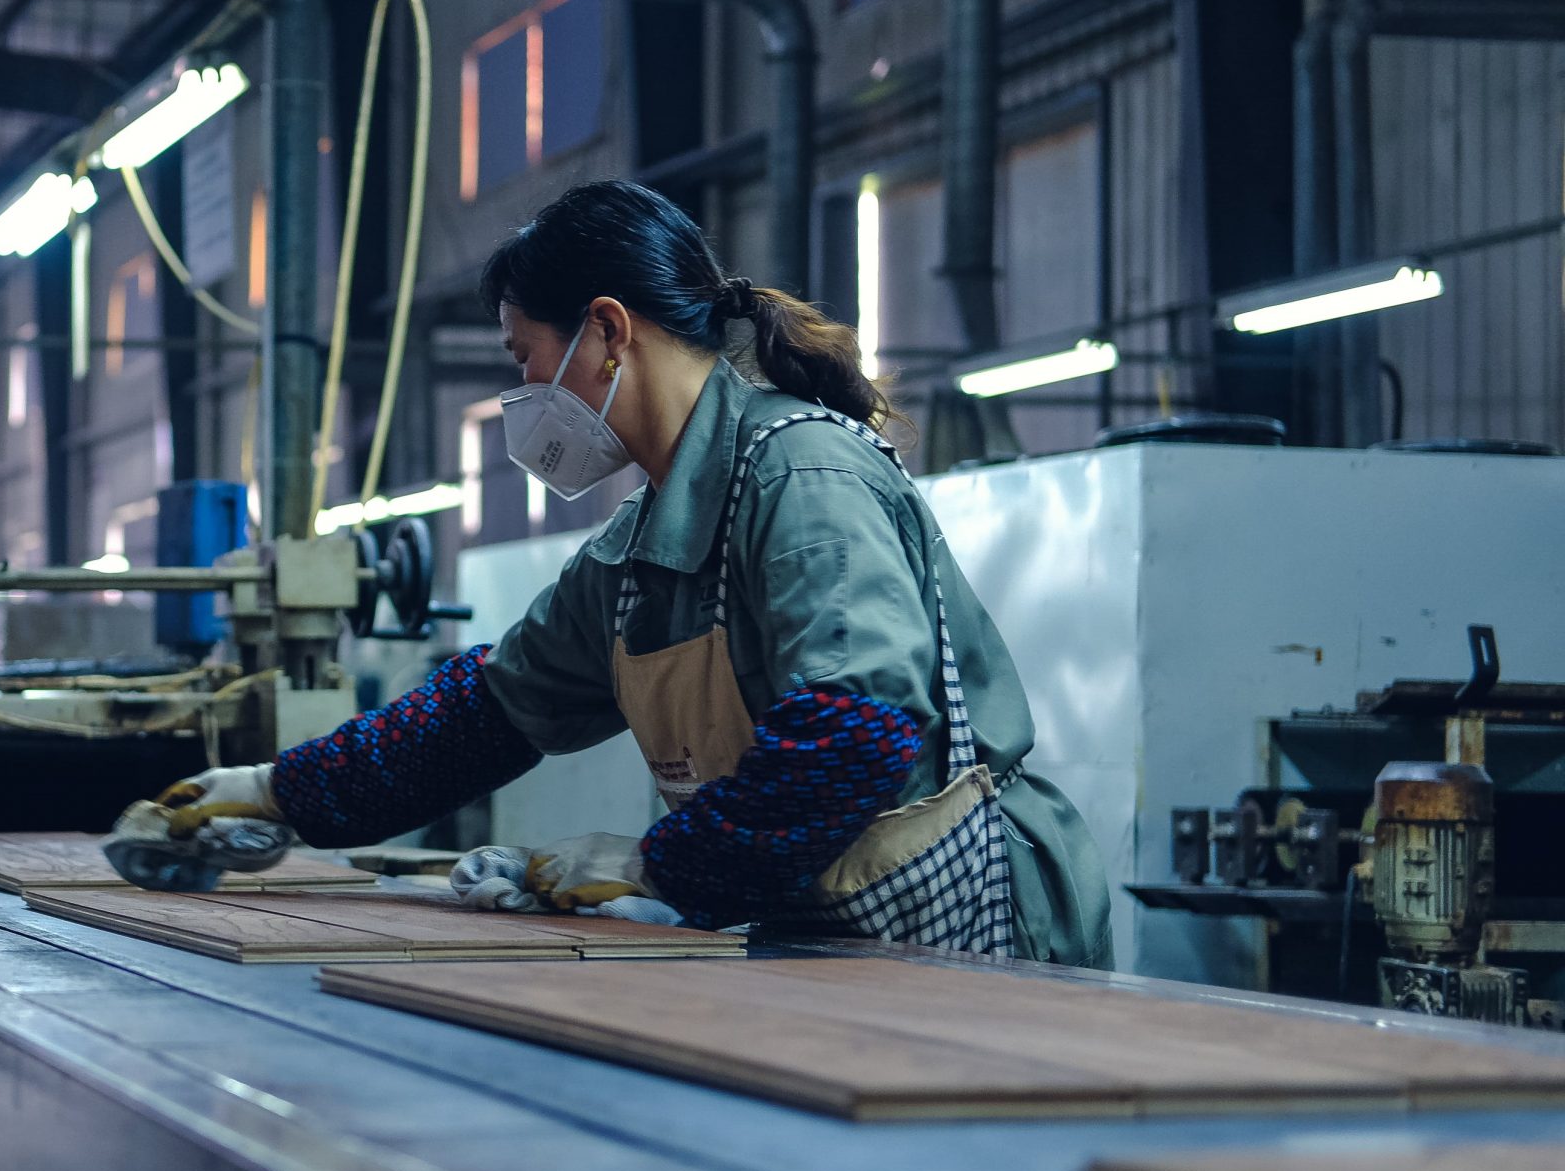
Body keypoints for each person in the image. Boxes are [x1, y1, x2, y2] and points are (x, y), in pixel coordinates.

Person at [138, 181, 1111, 967]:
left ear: (607, 331)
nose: (522, 401)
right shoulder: (637, 550)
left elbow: (856, 728)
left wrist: (657, 864)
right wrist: (279, 792)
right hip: (820, 930)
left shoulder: (800, 472)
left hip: (970, 929)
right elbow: (488, 711)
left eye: (525, 360)